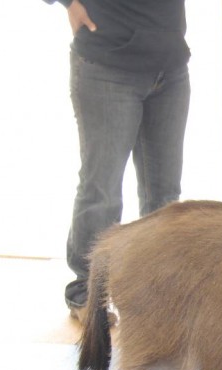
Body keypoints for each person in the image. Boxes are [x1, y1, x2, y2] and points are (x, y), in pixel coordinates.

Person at [46, 0, 190, 321]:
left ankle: (153, 292)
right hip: (107, 66)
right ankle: (88, 294)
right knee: (102, 191)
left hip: (171, 67)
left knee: (164, 195)